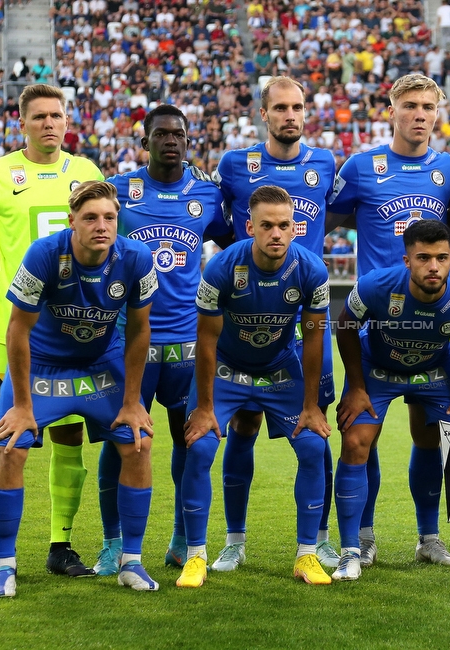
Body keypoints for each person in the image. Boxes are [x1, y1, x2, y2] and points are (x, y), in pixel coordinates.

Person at [0, 84, 104, 580]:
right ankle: (2, 553)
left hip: (74, 332)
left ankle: (61, 543)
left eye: (57, 116)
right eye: (39, 117)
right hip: (7, 332)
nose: (49, 124)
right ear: (22, 121)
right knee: (4, 437)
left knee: (69, 433)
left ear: (67, 120)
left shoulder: (86, 173)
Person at [0, 180, 160, 598]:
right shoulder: (44, 254)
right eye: (91, 218)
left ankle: (130, 561)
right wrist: (24, 406)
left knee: (139, 444)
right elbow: (17, 331)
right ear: (72, 222)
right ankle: (4, 566)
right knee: (11, 445)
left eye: (109, 218)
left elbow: (139, 331)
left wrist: (133, 403)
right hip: (43, 367)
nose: (102, 225)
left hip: (101, 365)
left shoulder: (136, 258)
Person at [327, 73, 450, 567]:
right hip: (372, 331)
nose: (420, 115)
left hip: (430, 331)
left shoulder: (449, 169)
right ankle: (362, 536)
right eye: (410, 106)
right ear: (392, 110)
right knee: (364, 433)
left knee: (430, 435)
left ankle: (429, 539)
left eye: (428, 106)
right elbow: (322, 220)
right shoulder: (362, 167)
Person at [92, 104, 230, 575]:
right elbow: (82, 230)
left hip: (188, 342)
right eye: (162, 134)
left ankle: (179, 539)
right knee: (122, 442)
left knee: (188, 441)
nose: (172, 140)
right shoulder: (121, 190)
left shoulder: (207, 194)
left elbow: (237, 241)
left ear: (188, 141)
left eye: (180, 134)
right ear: (145, 140)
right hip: (131, 341)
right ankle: (113, 545)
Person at [210, 76, 340, 571]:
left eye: (298, 107)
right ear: (263, 113)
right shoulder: (234, 165)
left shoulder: (326, 164)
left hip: (308, 316)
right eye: (280, 107)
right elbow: (217, 226)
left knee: (316, 428)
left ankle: (320, 538)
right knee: (241, 426)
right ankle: (234, 540)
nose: (290, 115)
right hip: (249, 313)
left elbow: (350, 213)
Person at [181, 185, 333, 587]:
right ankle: (201, 554)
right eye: (267, 225)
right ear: (250, 227)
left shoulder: (312, 270)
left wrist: (312, 405)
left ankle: (306, 556)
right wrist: (205, 407)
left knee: (314, 445)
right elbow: (206, 341)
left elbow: (314, 337)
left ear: (296, 228)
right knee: (200, 447)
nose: (276, 234)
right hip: (228, 370)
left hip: (279, 370)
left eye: (284, 225)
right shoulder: (221, 268)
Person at [333, 220, 450, 581]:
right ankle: (351, 551)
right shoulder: (375, 287)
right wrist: (356, 387)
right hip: (376, 370)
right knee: (356, 442)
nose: (433, 267)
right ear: (407, 261)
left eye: (441, 258)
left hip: (435, 371)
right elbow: (344, 326)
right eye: (423, 258)